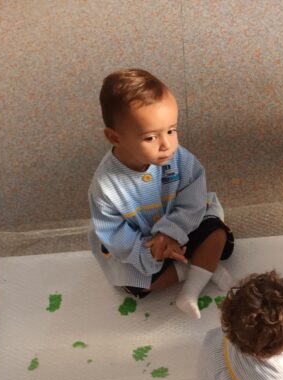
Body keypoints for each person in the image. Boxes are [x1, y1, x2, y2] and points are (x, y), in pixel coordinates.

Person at [89, 68, 235, 319]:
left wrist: (171, 231)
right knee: (135, 284)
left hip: (184, 223)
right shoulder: (105, 187)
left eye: (171, 130)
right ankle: (194, 269)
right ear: (115, 138)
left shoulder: (178, 158)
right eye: (150, 137)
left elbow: (194, 197)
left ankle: (191, 289)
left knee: (217, 234)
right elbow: (114, 234)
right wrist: (150, 252)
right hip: (142, 246)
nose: (166, 144)